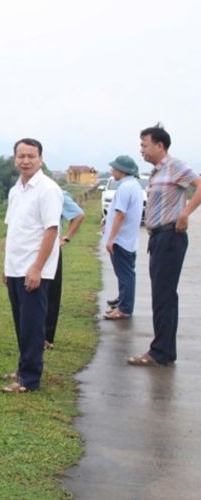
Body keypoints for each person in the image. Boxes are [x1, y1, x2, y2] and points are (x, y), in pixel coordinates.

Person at [127, 125, 201, 366]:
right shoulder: (157, 173)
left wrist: (185, 213)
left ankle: (159, 352)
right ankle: (166, 351)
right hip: (158, 238)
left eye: (144, 145)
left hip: (170, 236)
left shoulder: (175, 166)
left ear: (160, 145)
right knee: (164, 296)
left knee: (163, 296)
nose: (142, 150)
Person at [1, 138, 62, 393]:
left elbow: (51, 230)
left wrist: (37, 267)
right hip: (15, 266)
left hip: (33, 268)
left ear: (41, 159)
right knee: (21, 323)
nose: (25, 161)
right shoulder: (16, 190)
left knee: (33, 324)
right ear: (15, 159)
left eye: (31, 156)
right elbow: (13, 230)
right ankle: (24, 367)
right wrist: (6, 267)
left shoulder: (47, 189)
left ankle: (29, 379)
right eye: (21, 156)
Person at [101, 155, 144, 321]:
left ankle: (125, 308)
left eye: (114, 168)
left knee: (125, 275)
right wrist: (107, 219)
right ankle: (122, 300)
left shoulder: (125, 188)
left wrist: (111, 238)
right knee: (125, 273)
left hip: (121, 240)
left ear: (121, 170)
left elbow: (120, 214)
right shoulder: (133, 185)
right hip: (129, 239)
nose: (112, 171)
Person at [44, 190, 85, 348]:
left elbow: (78, 214)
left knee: (51, 293)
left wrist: (66, 237)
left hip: (51, 248)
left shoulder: (56, 192)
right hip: (29, 248)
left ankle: (47, 337)